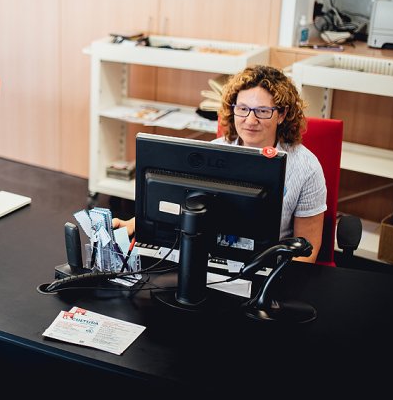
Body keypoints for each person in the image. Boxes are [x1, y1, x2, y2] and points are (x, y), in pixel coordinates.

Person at [113, 65, 326, 263]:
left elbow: (307, 251)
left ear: (281, 115)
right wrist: (133, 224)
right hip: (209, 258)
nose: (250, 120)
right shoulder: (212, 153)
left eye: (262, 111)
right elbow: (181, 202)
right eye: (243, 109)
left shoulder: (306, 168)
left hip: (268, 265)